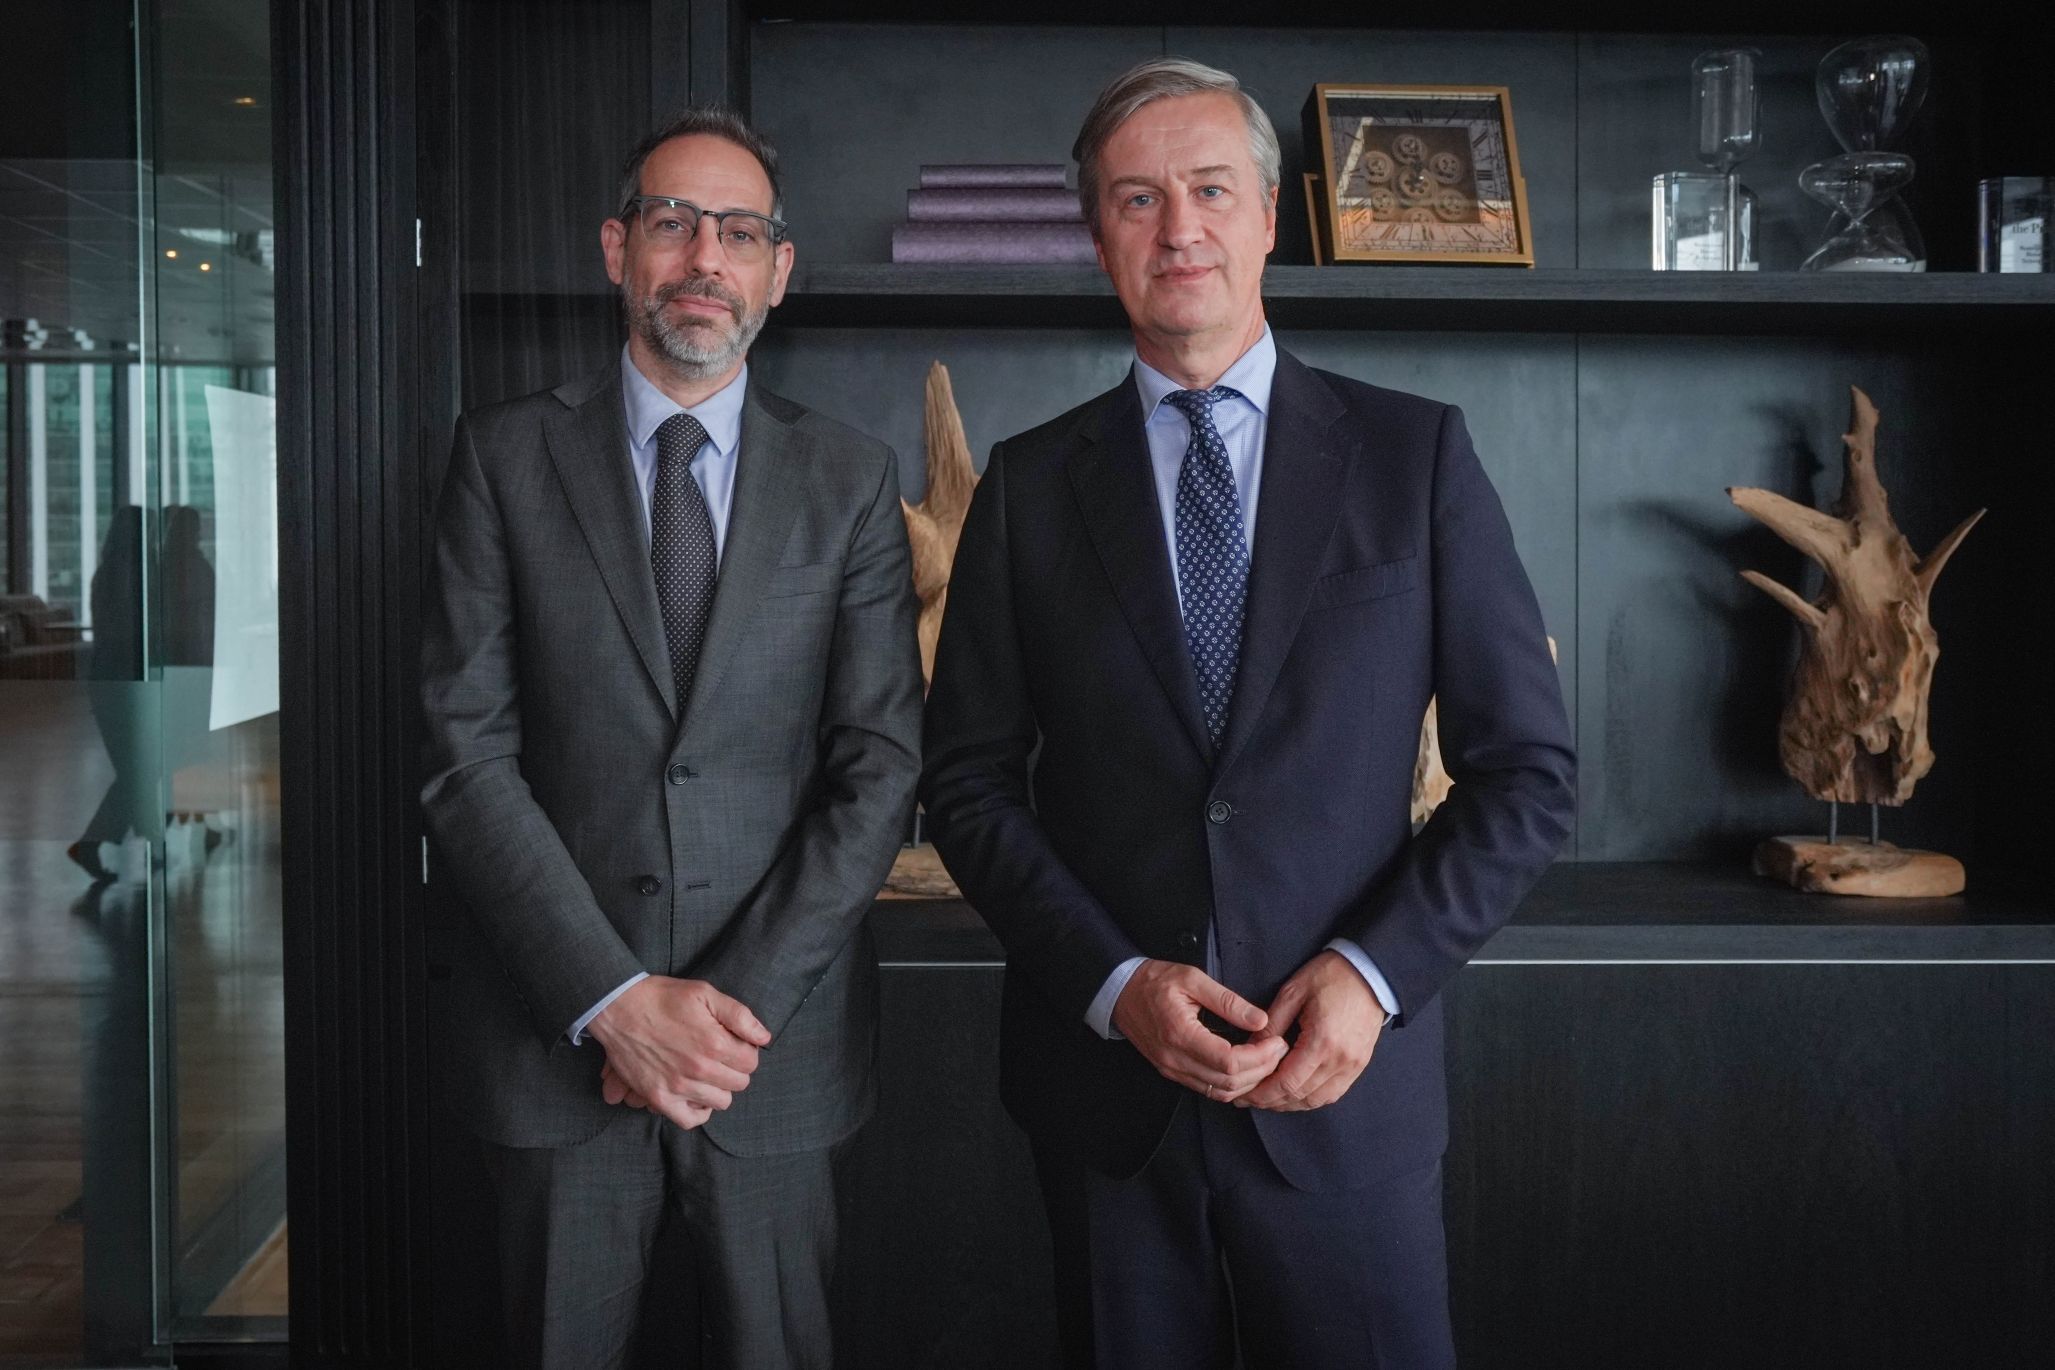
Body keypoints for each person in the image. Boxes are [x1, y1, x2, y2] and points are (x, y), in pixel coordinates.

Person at [920, 59, 1576, 1369]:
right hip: (1109, 1106)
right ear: (1098, 235)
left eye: (1211, 190)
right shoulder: (1027, 487)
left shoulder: (1414, 455)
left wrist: (1371, 976)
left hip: (1346, 1094)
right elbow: (968, 785)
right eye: (1137, 199)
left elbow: (1527, 775)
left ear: (1270, 216)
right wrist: (1115, 984)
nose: (1179, 228)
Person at [420, 107, 922, 1370]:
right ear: (617, 247)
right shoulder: (503, 457)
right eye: (674, 221)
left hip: (773, 1056)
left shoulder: (852, 478)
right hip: (551, 1043)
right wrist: (612, 1000)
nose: (706, 256)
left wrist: (722, 1016)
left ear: (778, 270)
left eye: (739, 232)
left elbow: (878, 768)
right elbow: (464, 757)